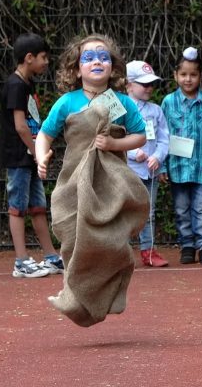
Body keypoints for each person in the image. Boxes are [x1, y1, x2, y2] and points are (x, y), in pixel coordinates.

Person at [35, 34, 148, 327]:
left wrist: (113, 145)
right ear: (76, 69)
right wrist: (42, 155)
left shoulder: (121, 102)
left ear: (113, 67)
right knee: (72, 237)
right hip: (73, 183)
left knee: (110, 241)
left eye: (104, 57)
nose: (97, 61)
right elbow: (46, 134)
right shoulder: (66, 102)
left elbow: (140, 136)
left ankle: (111, 295)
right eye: (88, 57)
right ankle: (74, 295)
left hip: (109, 185)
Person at [0, 32, 62, 278]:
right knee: (17, 207)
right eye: (43, 57)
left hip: (31, 155)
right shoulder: (15, 85)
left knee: (38, 206)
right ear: (29, 58)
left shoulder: (27, 84)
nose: (46, 62)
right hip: (19, 156)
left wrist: (39, 150)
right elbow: (20, 126)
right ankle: (21, 261)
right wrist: (38, 151)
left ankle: (50, 257)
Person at [160, 47, 202, 266]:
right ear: (175, 76)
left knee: (201, 208)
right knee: (181, 209)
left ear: (201, 76)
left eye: (193, 75)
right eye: (184, 74)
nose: (188, 79)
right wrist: (161, 166)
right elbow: (161, 136)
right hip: (177, 168)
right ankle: (187, 245)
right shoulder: (168, 103)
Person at [125, 60, 170, 267]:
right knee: (124, 212)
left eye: (151, 84)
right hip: (128, 171)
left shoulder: (156, 110)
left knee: (148, 213)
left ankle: (148, 251)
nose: (149, 88)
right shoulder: (121, 108)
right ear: (129, 84)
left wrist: (158, 157)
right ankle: (119, 253)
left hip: (150, 171)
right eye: (144, 84)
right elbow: (113, 139)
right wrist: (134, 153)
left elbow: (164, 138)